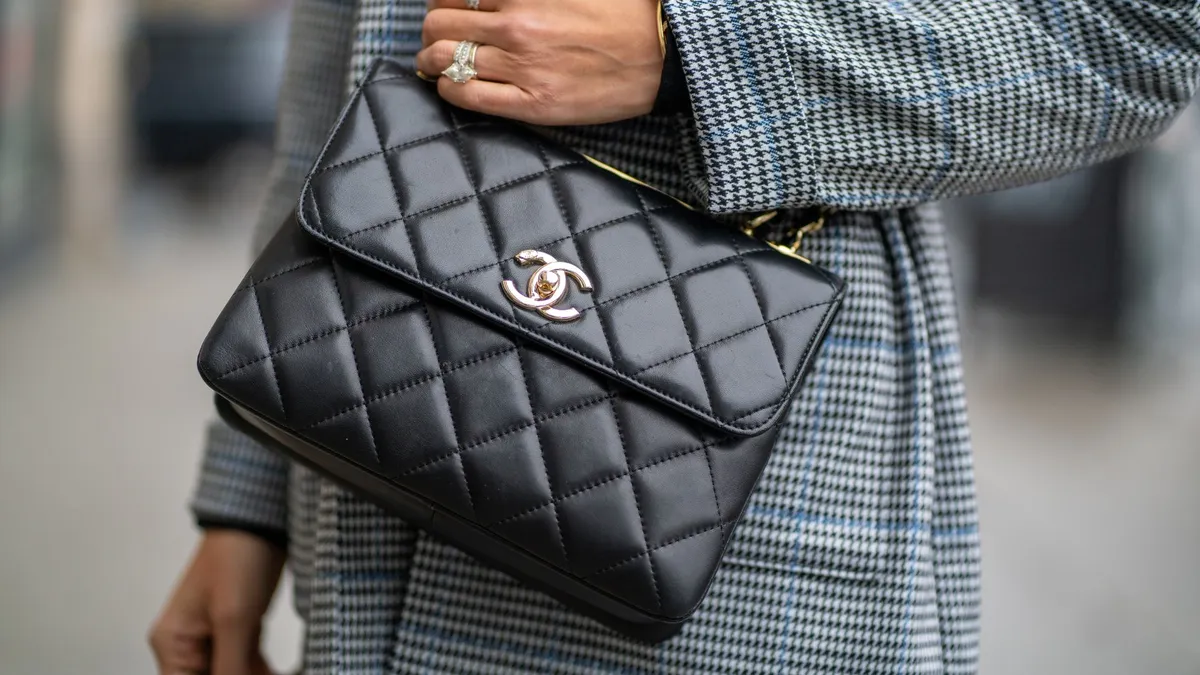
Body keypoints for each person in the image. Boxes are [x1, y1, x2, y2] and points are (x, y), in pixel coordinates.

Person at [150, 1, 1200, 673]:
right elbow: (336, 70)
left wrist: (698, 51)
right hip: (358, 449)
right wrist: (251, 499)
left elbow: (1135, 34)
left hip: (746, 529)